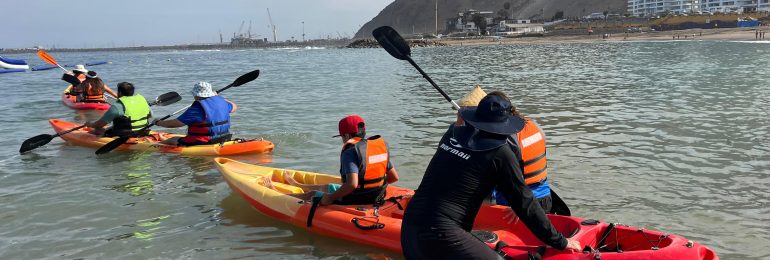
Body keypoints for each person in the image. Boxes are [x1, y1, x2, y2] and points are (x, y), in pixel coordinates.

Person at [401, 93, 581, 259]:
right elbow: (524, 202)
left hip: (410, 227)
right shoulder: (500, 153)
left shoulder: (451, 135)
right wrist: (561, 241)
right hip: (442, 233)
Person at [279, 115, 400, 206]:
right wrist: (373, 188)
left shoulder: (350, 151)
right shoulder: (377, 147)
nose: (343, 140)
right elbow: (394, 177)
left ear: (347, 136)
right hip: (377, 195)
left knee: (312, 195)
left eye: (342, 136)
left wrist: (330, 198)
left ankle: (278, 196)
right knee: (329, 186)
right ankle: (298, 185)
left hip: (357, 198)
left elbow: (352, 184)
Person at [155, 81, 237, 146]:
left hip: (205, 141)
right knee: (177, 138)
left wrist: (158, 123)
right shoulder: (221, 101)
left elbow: (174, 124)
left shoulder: (197, 108)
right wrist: (218, 97)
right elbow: (234, 107)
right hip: (223, 138)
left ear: (196, 95)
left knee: (171, 140)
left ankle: (153, 145)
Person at [85, 82, 151, 137]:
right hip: (143, 131)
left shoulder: (117, 106)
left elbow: (99, 124)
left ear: (120, 93)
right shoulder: (142, 100)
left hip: (126, 135)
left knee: (97, 130)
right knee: (109, 128)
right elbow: (150, 115)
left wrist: (90, 124)